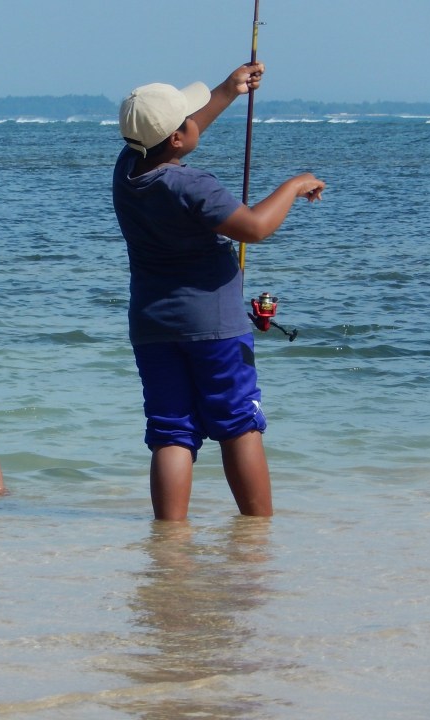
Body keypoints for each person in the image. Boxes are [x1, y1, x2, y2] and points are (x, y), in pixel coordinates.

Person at [112, 62, 325, 521]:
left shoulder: (127, 169)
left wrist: (228, 90)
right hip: (215, 328)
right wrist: (294, 185)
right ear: (176, 137)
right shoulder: (192, 185)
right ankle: (257, 534)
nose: (195, 120)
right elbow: (255, 228)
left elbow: (176, 134)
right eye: (188, 117)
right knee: (237, 424)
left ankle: (169, 539)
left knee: (171, 431)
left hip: (152, 326)